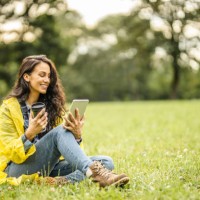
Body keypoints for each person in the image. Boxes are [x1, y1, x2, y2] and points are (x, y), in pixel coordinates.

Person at [0, 55, 129, 187]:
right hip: (15, 168)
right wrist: (29, 134)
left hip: (49, 167)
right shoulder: (8, 108)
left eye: (48, 76)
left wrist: (77, 136)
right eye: (42, 75)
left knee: (106, 162)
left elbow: (70, 152)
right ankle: (96, 175)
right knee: (61, 133)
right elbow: (9, 152)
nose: (46, 80)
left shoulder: (51, 106)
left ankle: (58, 182)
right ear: (26, 77)